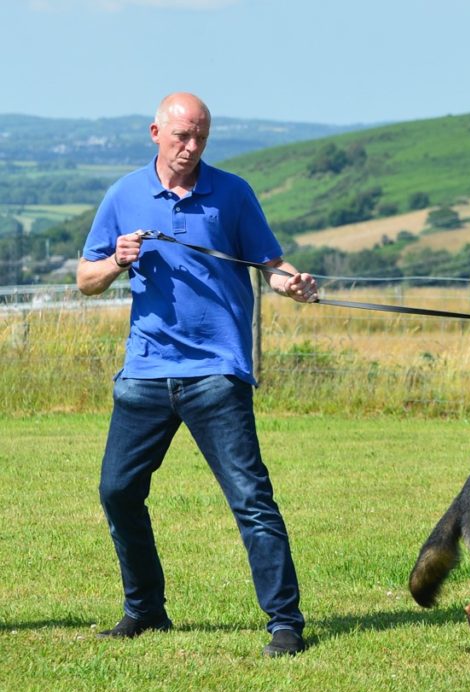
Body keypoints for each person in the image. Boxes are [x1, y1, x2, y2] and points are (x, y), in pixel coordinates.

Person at [77, 92, 319, 657]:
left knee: (250, 498)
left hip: (217, 372)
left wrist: (293, 283)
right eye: (182, 136)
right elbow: (85, 279)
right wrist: (116, 260)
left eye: (201, 137)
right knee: (118, 492)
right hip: (145, 374)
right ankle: (145, 610)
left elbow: (270, 265)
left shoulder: (232, 194)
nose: (191, 147)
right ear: (155, 132)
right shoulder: (123, 195)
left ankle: (285, 623)